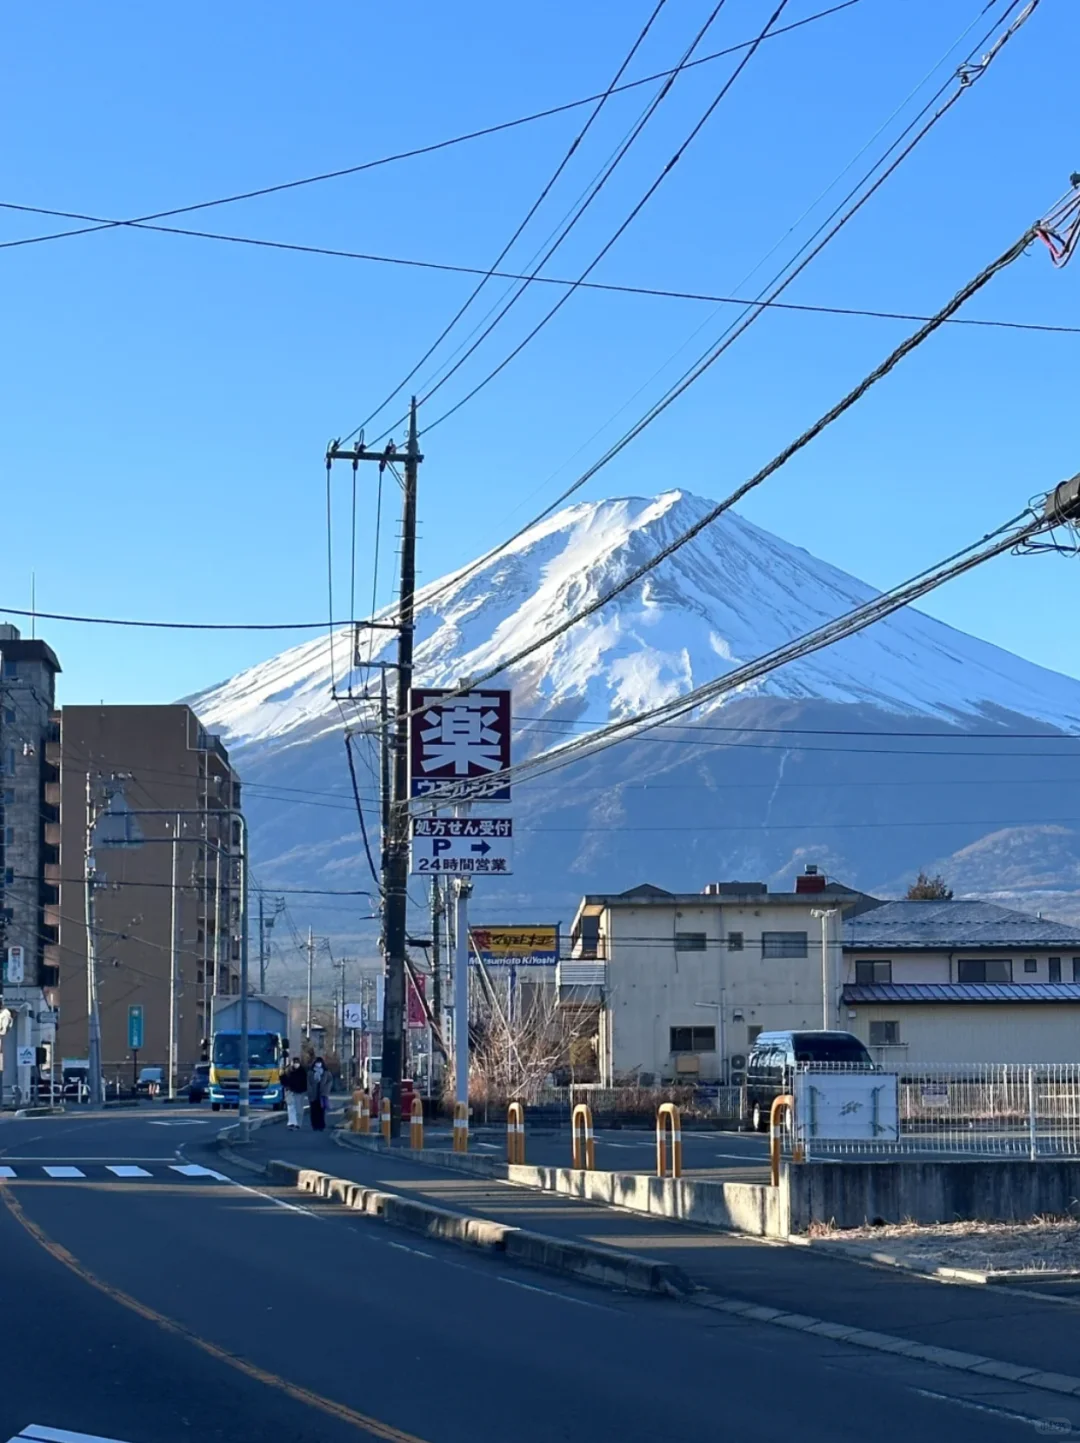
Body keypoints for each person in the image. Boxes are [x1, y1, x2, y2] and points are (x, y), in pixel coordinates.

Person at [307, 1056, 331, 1132]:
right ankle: (314, 1125)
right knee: (314, 1111)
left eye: (320, 1062)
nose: (318, 1064)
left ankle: (321, 1126)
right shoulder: (310, 1072)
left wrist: (326, 1090)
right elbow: (308, 1083)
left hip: (322, 1094)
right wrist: (310, 1091)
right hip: (313, 1094)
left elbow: (330, 1081)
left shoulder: (326, 1072)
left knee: (321, 1111)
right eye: (317, 1062)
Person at [282, 1057, 307, 1130]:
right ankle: (291, 1123)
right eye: (295, 1062)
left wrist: (304, 1090)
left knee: (299, 1109)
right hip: (290, 1091)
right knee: (291, 1107)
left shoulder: (302, 1071)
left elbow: (305, 1081)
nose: (296, 1064)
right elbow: (283, 1080)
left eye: (297, 1063)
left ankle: (298, 1124)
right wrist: (286, 1087)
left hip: (300, 1092)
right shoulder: (287, 1070)